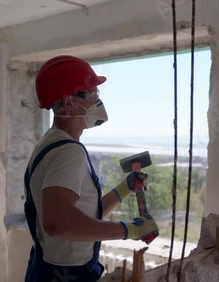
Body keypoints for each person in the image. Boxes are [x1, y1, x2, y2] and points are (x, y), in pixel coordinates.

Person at [23, 55, 159, 282]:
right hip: (67, 275)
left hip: (49, 269)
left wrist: (123, 190)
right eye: (92, 94)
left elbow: (80, 216)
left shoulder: (51, 143)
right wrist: (129, 230)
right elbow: (59, 224)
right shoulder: (68, 151)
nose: (98, 101)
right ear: (68, 102)